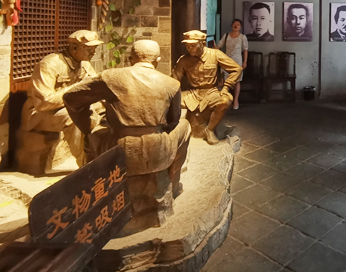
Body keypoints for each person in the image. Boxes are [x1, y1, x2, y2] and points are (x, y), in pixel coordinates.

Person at [63, 40, 191, 233]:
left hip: (119, 150)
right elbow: (172, 122)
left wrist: (89, 125)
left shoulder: (111, 77)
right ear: (157, 60)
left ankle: (92, 189)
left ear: (131, 58)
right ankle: (172, 185)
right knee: (185, 126)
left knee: (91, 136)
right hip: (158, 151)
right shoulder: (172, 84)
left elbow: (71, 97)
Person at [15, 30, 103, 175]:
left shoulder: (85, 64)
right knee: (74, 118)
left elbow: (94, 86)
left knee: (101, 108)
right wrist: (78, 87)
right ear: (74, 47)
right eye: (89, 49)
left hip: (65, 108)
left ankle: (101, 158)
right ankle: (87, 168)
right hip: (38, 113)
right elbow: (44, 102)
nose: (93, 52)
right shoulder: (50, 64)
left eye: (95, 48)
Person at [172, 30, 242, 145]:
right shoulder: (184, 60)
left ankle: (209, 129)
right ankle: (175, 131)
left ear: (202, 43)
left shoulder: (215, 54)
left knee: (225, 101)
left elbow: (237, 69)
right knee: (168, 100)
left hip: (211, 92)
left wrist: (226, 87)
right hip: (192, 94)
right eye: (187, 46)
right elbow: (173, 80)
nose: (189, 49)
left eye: (193, 45)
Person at [218, 19, 249, 110]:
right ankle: (225, 101)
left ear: (240, 27)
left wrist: (245, 62)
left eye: (238, 24)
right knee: (225, 81)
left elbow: (245, 50)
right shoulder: (226, 35)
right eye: (234, 24)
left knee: (237, 80)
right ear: (232, 25)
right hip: (227, 60)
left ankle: (236, 100)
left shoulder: (242, 37)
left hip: (237, 61)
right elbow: (219, 45)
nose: (236, 26)